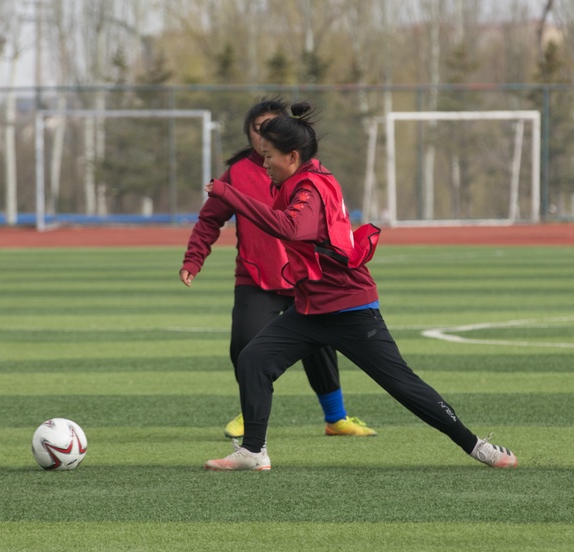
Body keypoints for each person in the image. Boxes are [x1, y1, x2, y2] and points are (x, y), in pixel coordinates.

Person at [202, 101, 518, 471]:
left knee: (402, 385)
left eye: (269, 156)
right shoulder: (300, 179)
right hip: (311, 309)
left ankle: (478, 447)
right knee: (253, 359)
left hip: (349, 308)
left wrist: (230, 195)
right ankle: (253, 452)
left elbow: (292, 228)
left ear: (292, 156)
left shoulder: (311, 186)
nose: (265, 163)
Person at [181, 97, 375, 439]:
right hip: (256, 278)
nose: (262, 136)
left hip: (306, 279)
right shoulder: (238, 172)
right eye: (257, 129)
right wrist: (194, 259)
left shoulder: (309, 174)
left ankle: (335, 418)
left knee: (321, 346)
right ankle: (250, 414)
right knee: (245, 346)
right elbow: (210, 219)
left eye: (270, 128)